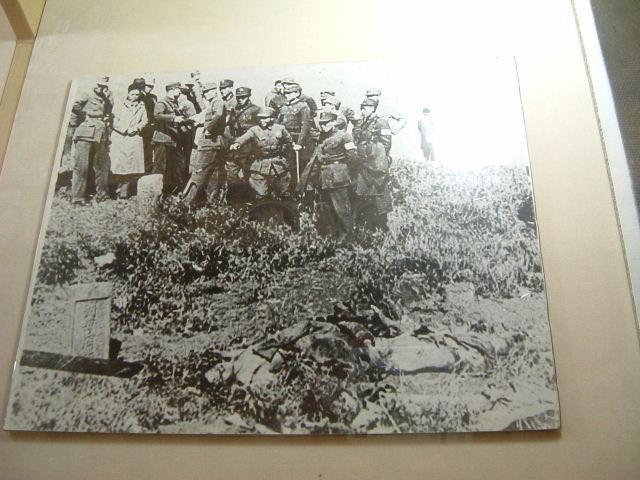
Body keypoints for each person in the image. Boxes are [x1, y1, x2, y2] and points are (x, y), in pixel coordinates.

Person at [298, 111, 357, 236]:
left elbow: (352, 158)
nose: (323, 126)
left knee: (341, 208)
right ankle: (332, 234)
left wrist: (343, 172)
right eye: (322, 124)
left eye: (326, 123)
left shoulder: (344, 136)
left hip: (338, 177)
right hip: (324, 177)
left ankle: (348, 235)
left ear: (334, 122)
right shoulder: (322, 138)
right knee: (327, 207)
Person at [182, 81, 229, 206]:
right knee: (212, 174)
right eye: (204, 92)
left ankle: (186, 203)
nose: (205, 94)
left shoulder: (217, 102)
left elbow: (219, 114)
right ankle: (212, 202)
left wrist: (209, 128)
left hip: (209, 143)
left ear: (214, 91)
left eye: (207, 92)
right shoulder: (212, 103)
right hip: (214, 143)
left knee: (198, 172)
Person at [230, 107, 292, 200]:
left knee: (284, 192)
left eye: (264, 118)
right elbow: (244, 138)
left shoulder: (280, 128)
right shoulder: (254, 129)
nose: (261, 120)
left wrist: (282, 149)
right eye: (260, 118)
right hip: (260, 165)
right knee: (260, 193)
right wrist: (237, 144)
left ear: (272, 118)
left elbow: (289, 141)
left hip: (278, 165)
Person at [70, 76, 114, 204]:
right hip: (85, 133)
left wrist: (109, 99)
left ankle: (102, 196)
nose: (100, 87)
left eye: (103, 85)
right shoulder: (86, 93)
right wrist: (85, 115)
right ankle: (77, 198)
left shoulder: (106, 97)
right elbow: (74, 105)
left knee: (102, 165)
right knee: (81, 166)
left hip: (100, 134)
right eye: (99, 85)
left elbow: (108, 111)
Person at [352, 97, 393, 230]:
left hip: (376, 166)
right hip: (364, 164)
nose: (362, 111)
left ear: (372, 109)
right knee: (364, 193)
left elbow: (386, 144)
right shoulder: (362, 122)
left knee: (379, 194)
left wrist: (376, 156)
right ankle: (368, 224)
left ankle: (382, 226)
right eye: (362, 108)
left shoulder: (381, 123)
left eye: (365, 108)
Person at [110, 84, 148, 198]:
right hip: (121, 137)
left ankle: (125, 191)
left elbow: (145, 120)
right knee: (119, 166)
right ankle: (115, 189)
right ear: (128, 93)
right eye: (132, 94)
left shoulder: (141, 105)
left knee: (132, 167)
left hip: (134, 137)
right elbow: (114, 121)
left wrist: (137, 128)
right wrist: (126, 129)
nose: (135, 96)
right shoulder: (119, 105)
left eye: (137, 94)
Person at [151, 81, 189, 194]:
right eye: (179, 89)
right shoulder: (162, 102)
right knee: (160, 167)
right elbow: (157, 115)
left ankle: (172, 192)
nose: (180, 92)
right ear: (172, 90)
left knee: (176, 167)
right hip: (162, 140)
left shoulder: (174, 103)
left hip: (173, 141)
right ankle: (155, 193)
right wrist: (173, 118)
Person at [277, 83, 311, 189]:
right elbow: (278, 123)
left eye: (289, 93)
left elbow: (305, 126)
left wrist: (300, 143)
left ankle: (297, 190)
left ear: (297, 93)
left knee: (296, 167)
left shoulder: (303, 106)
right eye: (286, 93)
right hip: (285, 139)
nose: (286, 95)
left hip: (296, 139)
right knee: (284, 165)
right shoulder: (284, 107)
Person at [228, 87, 261, 192]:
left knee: (248, 172)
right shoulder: (233, 110)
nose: (240, 100)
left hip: (249, 145)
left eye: (243, 97)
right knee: (231, 171)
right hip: (235, 143)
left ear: (248, 97)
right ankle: (234, 195)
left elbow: (259, 129)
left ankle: (250, 195)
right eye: (238, 97)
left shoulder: (256, 110)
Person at [139, 77, 157, 173]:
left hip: (151, 125)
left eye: (152, 86)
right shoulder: (139, 96)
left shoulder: (153, 97)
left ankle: (148, 167)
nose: (150, 88)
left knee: (149, 147)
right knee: (143, 147)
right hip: (142, 125)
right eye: (148, 86)